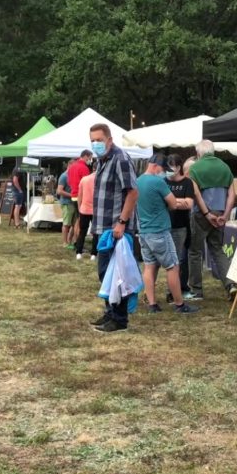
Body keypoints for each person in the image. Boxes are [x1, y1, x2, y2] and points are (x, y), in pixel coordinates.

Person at [89, 122, 138, 333]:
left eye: (99, 140)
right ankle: (110, 312)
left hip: (116, 227)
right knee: (105, 274)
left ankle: (119, 319)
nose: (95, 144)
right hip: (103, 226)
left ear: (109, 139)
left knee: (117, 275)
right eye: (92, 140)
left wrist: (122, 221)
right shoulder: (101, 161)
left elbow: (133, 193)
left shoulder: (120, 159)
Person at [136, 153, 200, 314]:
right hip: (159, 230)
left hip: (143, 231)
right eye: (163, 169)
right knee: (172, 266)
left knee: (149, 267)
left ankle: (152, 304)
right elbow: (173, 204)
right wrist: (178, 201)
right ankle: (179, 304)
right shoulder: (158, 182)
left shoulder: (138, 181)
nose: (164, 172)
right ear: (157, 166)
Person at [188, 140, 237, 300]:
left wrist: (207, 213)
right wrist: (226, 214)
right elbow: (232, 195)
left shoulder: (194, 168)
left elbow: (196, 193)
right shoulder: (225, 167)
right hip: (221, 213)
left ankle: (196, 290)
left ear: (198, 153)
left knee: (195, 251)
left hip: (201, 214)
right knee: (217, 249)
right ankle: (230, 284)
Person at [165, 153, 197, 302]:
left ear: (178, 167)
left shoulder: (187, 183)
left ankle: (179, 290)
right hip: (165, 225)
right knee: (168, 260)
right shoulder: (164, 181)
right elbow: (160, 201)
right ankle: (172, 292)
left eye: (170, 167)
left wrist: (170, 201)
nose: (168, 170)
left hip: (180, 226)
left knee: (179, 259)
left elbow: (189, 204)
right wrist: (179, 201)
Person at [67, 150, 92, 245]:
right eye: (89, 158)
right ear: (85, 156)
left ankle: (72, 240)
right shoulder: (84, 168)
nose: (90, 160)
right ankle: (76, 242)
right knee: (80, 221)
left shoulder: (72, 167)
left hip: (73, 195)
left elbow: (69, 182)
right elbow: (87, 184)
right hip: (81, 197)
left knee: (77, 219)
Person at [75, 169, 98, 261]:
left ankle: (79, 252)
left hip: (84, 209)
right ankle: (94, 254)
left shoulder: (84, 179)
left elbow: (79, 196)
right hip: (97, 210)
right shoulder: (101, 179)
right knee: (96, 233)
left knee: (82, 232)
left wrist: (79, 207)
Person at [57, 161, 75, 248]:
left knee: (75, 224)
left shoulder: (74, 175)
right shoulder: (64, 176)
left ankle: (69, 241)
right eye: (74, 165)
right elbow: (59, 191)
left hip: (74, 202)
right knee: (66, 224)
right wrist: (71, 195)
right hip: (67, 203)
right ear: (69, 165)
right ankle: (65, 242)